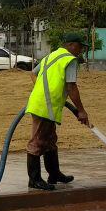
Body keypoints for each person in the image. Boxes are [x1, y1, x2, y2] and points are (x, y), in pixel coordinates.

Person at [24, 32, 91, 191]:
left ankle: (54, 174)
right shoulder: (69, 60)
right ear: (70, 45)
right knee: (37, 142)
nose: (81, 50)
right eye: (80, 46)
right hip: (45, 106)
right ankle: (34, 180)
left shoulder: (51, 56)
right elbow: (71, 87)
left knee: (50, 141)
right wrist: (81, 111)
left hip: (43, 103)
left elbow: (33, 74)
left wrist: (41, 89)